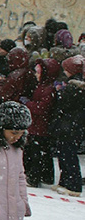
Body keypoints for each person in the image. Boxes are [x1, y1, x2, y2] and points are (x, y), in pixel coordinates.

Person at [49, 56, 85, 196]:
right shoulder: (75, 86)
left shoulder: (73, 88)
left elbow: (64, 106)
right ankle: (65, 181)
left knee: (68, 155)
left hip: (69, 126)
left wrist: (60, 94)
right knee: (65, 154)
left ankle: (73, 184)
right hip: (72, 126)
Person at [22, 58, 60, 187]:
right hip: (39, 124)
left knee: (36, 153)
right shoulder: (44, 86)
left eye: (38, 72)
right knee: (42, 152)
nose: (36, 75)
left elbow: (43, 108)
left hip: (40, 125)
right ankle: (46, 176)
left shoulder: (48, 89)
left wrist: (28, 103)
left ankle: (34, 177)